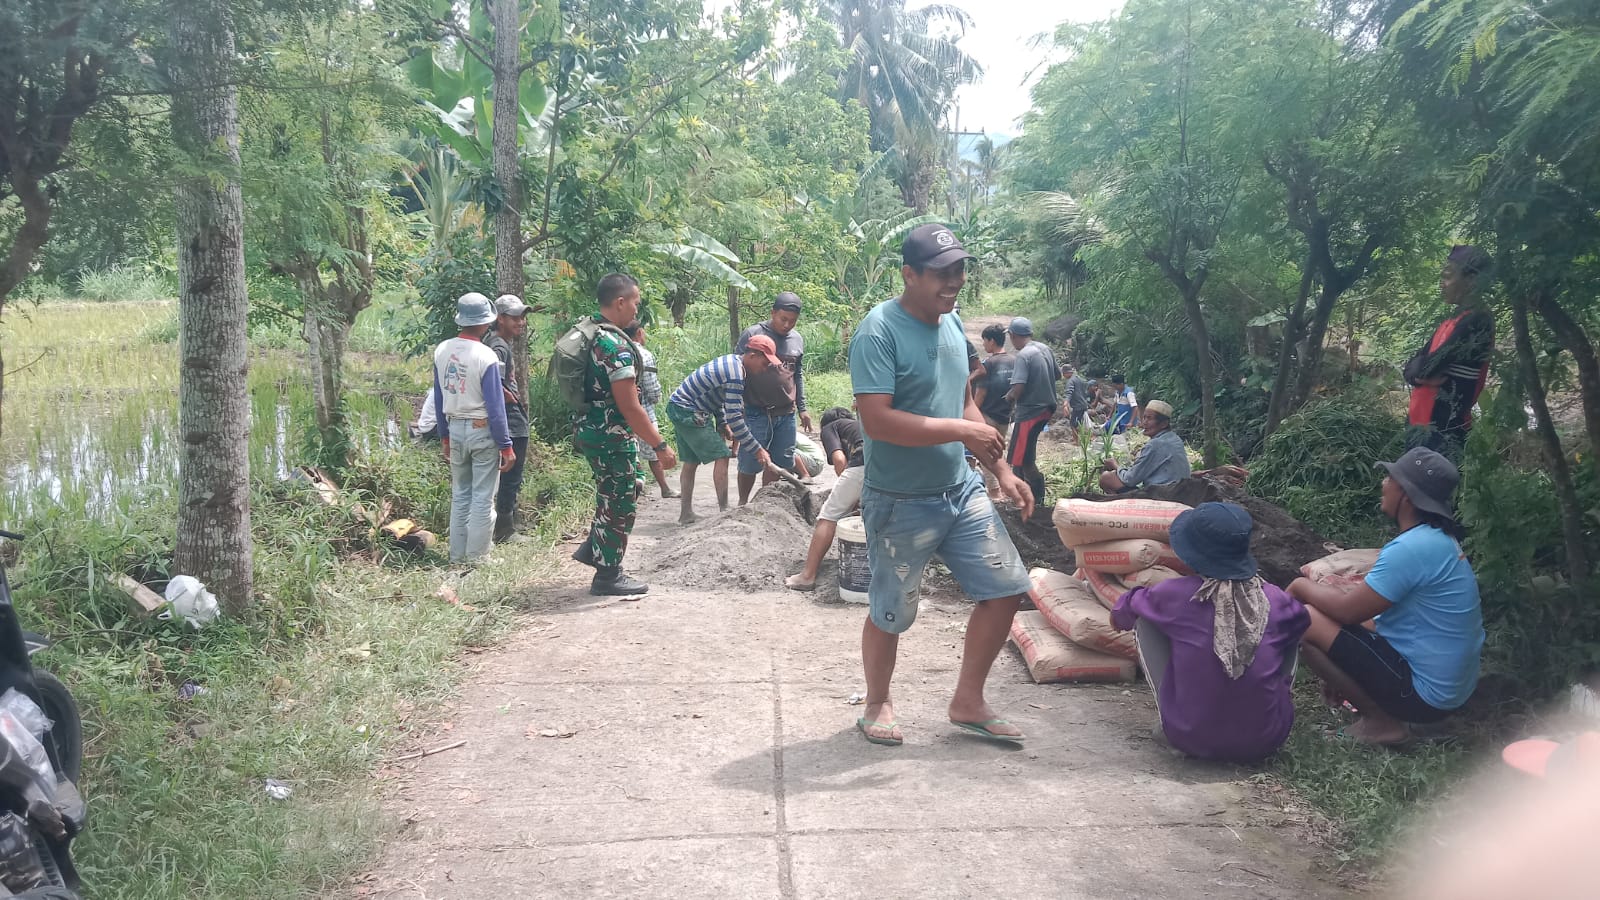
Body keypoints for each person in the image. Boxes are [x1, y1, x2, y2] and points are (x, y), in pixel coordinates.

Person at [848, 223, 1035, 747]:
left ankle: (968, 701)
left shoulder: (952, 324)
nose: (952, 282)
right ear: (909, 274)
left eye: (958, 271)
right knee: (892, 610)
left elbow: (963, 402)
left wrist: (1000, 469)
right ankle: (877, 703)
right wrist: (962, 429)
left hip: (961, 489)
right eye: (939, 273)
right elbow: (878, 422)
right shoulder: (878, 331)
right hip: (900, 500)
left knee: (1006, 591)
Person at [1288, 447, 1484, 746]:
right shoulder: (1438, 541)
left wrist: (1300, 587)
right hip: (1448, 694)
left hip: (1424, 696)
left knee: (1307, 620)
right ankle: (1381, 711)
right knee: (1331, 617)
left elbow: (1346, 612)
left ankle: (1381, 723)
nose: (1383, 484)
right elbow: (1370, 619)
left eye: (1389, 478)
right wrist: (1339, 669)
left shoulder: (1411, 549)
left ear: (1406, 494)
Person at [1111, 502, 1310, 763]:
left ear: (1189, 555)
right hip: (1267, 740)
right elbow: (1303, 622)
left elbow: (1120, 617)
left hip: (1190, 737)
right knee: (1288, 629)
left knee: (1145, 620)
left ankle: (1175, 717)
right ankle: (1264, 709)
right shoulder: (1275, 598)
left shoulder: (1173, 596)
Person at [570, 274, 678, 596]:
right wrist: (660, 446)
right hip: (611, 435)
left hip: (591, 428)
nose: (636, 308)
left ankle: (596, 548)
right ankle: (608, 576)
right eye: (635, 302)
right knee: (620, 500)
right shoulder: (615, 345)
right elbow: (631, 407)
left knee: (613, 493)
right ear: (620, 302)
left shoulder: (591, 333)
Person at [432, 292, 516, 563]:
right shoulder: (486, 355)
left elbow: (439, 395)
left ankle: (457, 556)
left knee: (460, 495)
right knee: (482, 496)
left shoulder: (442, 350)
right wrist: (506, 444)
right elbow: (495, 405)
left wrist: (444, 436)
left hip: (454, 428)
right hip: (482, 430)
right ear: (485, 322)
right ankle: (478, 557)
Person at [666, 337, 779, 524]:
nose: (765, 368)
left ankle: (686, 514)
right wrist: (758, 449)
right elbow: (736, 418)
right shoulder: (735, 373)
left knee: (691, 461)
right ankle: (724, 511)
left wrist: (721, 422)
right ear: (752, 355)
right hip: (688, 411)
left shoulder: (731, 362)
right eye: (765, 362)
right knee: (723, 455)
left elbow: (715, 395)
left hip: (679, 406)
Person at [1404, 245, 1493, 462]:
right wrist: (1419, 373)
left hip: (1443, 430)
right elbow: (1410, 369)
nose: (1442, 283)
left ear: (1472, 280)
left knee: (1430, 493)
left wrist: (1420, 370)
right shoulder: (1451, 321)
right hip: (1420, 423)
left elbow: (1426, 366)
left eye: (1448, 275)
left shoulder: (1477, 321)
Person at [735, 292, 809, 505]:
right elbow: (739, 368)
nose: (787, 325)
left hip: (785, 413)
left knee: (780, 461)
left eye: (792, 321)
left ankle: (765, 505)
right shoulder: (753, 333)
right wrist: (736, 407)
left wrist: (802, 407)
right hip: (755, 411)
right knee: (750, 461)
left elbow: (797, 375)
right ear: (773, 313)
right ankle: (742, 503)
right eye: (783, 319)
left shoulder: (797, 340)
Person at [785, 407, 866, 592]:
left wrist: (844, 488)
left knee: (828, 517)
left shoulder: (830, 427)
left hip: (863, 462)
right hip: (887, 465)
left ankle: (806, 576)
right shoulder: (860, 425)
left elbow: (839, 460)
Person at [484, 294, 532, 542]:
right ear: (500, 318)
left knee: (509, 473)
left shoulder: (495, 342)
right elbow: (493, 384)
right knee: (511, 473)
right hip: (510, 420)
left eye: (522, 317)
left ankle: (508, 521)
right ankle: (504, 528)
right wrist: (509, 398)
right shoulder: (498, 346)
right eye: (514, 317)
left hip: (509, 417)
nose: (520, 322)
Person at [1003, 316, 1058, 504]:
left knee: (1018, 459)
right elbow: (1057, 375)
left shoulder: (1024, 355)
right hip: (1048, 407)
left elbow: (1017, 388)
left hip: (1031, 411)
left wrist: (1007, 399)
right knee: (1025, 455)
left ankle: (1027, 499)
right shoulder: (1044, 348)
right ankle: (1035, 498)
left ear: (1012, 335)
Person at [622, 320, 677, 499]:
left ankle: (632, 488)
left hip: (621, 414)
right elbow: (652, 388)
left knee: (631, 454)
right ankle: (663, 487)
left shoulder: (618, 350)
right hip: (643, 412)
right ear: (639, 333)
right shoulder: (644, 354)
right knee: (655, 451)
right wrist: (656, 398)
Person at [1098, 400, 1191, 492]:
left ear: (1164, 424)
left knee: (1107, 478)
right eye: (1144, 418)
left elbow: (1130, 479)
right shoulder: (1175, 439)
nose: (1144, 423)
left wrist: (1115, 465)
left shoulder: (1155, 445)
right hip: (1179, 492)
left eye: (1149, 418)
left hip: (1163, 494)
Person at [971, 323, 1014, 435]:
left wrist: (972, 413)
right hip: (1005, 417)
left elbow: (981, 393)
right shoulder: (1015, 361)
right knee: (998, 449)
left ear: (992, 341)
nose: (983, 344)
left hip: (988, 417)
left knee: (982, 451)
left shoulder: (988, 364)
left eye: (984, 340)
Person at [1063, 363, 1093, 431]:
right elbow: (1085, 392)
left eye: (1064, 373)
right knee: (1080, 424)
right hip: (1083, 405)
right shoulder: (1079, 379)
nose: (1063, 375)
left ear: (1067, 373)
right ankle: (1082, 439)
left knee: (1073, 425)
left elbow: (1069, 393)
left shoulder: (1070, 381)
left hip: (1078, 406)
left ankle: (1077, 441)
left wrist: (1065, 404)